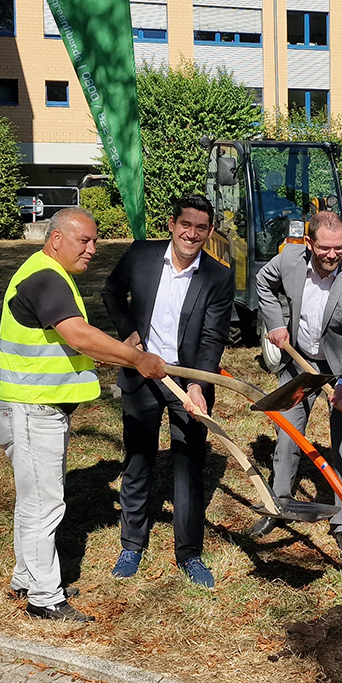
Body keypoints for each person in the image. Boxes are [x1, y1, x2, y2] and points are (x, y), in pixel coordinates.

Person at [0, 208, 166, 623]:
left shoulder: (45, 272)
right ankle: (45, 598)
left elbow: (66, 343)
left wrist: (114, 354)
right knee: (45, 504)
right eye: (83, 240)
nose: (92, 249)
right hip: (33, 408)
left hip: (25, 405)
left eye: (95, 241)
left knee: (33, 500)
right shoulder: (47, 277)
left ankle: (27, 579)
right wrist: (136, 359)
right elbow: (79, 336)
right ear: (55, 239)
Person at [101, 194, 235, 589]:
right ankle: (132, 545)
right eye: (185, 225)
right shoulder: (141, 255)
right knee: (138, 458)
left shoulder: (218, 276)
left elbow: (212, 339)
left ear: (210, 232)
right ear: (172, 224)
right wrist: (129, 333)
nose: (191, 234)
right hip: (141, 375)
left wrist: (197, 384)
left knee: (189, 465)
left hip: (186, 380)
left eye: (201, 228)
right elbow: (111, 292)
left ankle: (189, 553)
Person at [248, 211, 342, 560]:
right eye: (324, 248)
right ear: (309, 243)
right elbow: (262, 282)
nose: (332, 255)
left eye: (339, 248)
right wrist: (275, 322)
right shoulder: (290, 259)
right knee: (288, 434)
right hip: (300, 360)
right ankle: (279, 504)